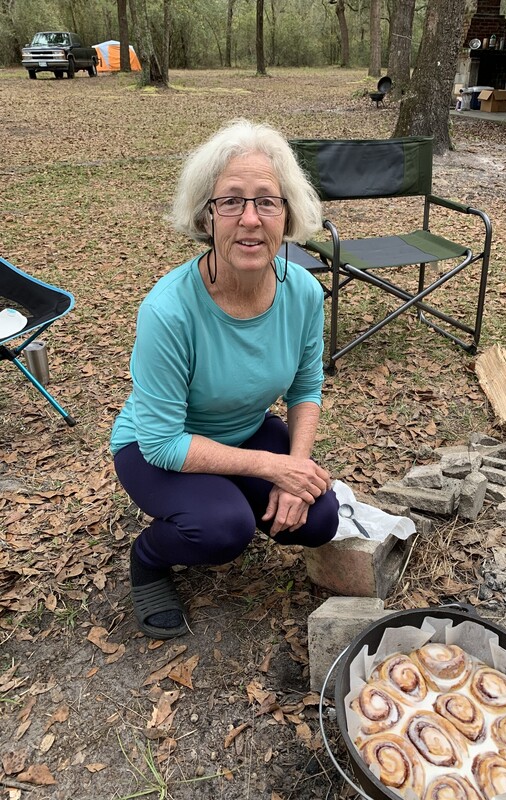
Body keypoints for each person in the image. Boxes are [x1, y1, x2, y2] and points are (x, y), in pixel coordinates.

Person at [110, 119, 339, 639]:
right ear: (207, 215)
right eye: (231, 201)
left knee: (320, 517)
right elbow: (164, 442)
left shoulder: (302, 291)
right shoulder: (170, 310)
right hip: (154, 448)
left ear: (288, 214)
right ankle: (148, 557)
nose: (251, 220)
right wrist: (271, 468)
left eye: (267, 201)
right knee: (222, 530)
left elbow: (306, 389)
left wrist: (295, 467)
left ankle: (231, 492)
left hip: (240, 430)